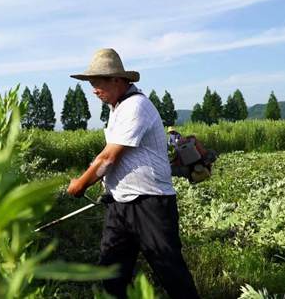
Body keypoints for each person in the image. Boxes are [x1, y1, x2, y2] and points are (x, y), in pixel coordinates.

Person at [66, 48, 199, 299]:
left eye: (97, 83)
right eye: (91, 84)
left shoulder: (136, 106)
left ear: (117, 80)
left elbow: (108, 157)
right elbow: (108, 156)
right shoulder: (116, 108)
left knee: (171, 272)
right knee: (111, 274)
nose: (93, 89)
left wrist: (80, 185)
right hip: (120, 203)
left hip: (150, 202)